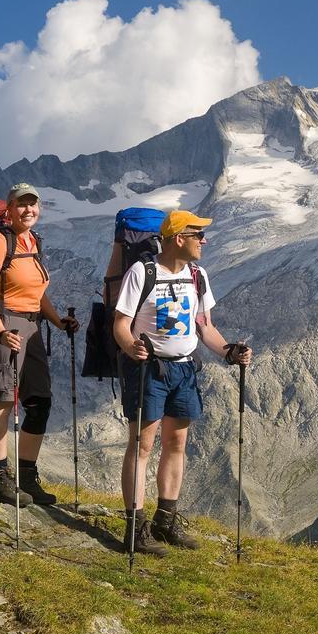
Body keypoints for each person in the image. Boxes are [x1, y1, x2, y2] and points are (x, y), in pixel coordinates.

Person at [113, 210, 252, 556]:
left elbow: (204, 326)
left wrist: (228, 352)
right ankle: (135, 528)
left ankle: (165, 519)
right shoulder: (142, 273)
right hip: (149, 369)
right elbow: (120, 323)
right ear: (179, 238)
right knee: (142, 446)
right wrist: (132, 348)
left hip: (185, 369)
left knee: (176, 444)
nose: (203, 241)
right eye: (197, 235)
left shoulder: (197, 275)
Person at [0, 182, 78, 505]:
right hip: (5, 323)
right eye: (21, 204)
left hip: (32, 326)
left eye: (32, 204)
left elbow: (38, 293)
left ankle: (26, 475)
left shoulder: (33, 241)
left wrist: (58, 321)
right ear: (9, 208)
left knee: (39, 402)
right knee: (3, 401)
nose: (28, 209)